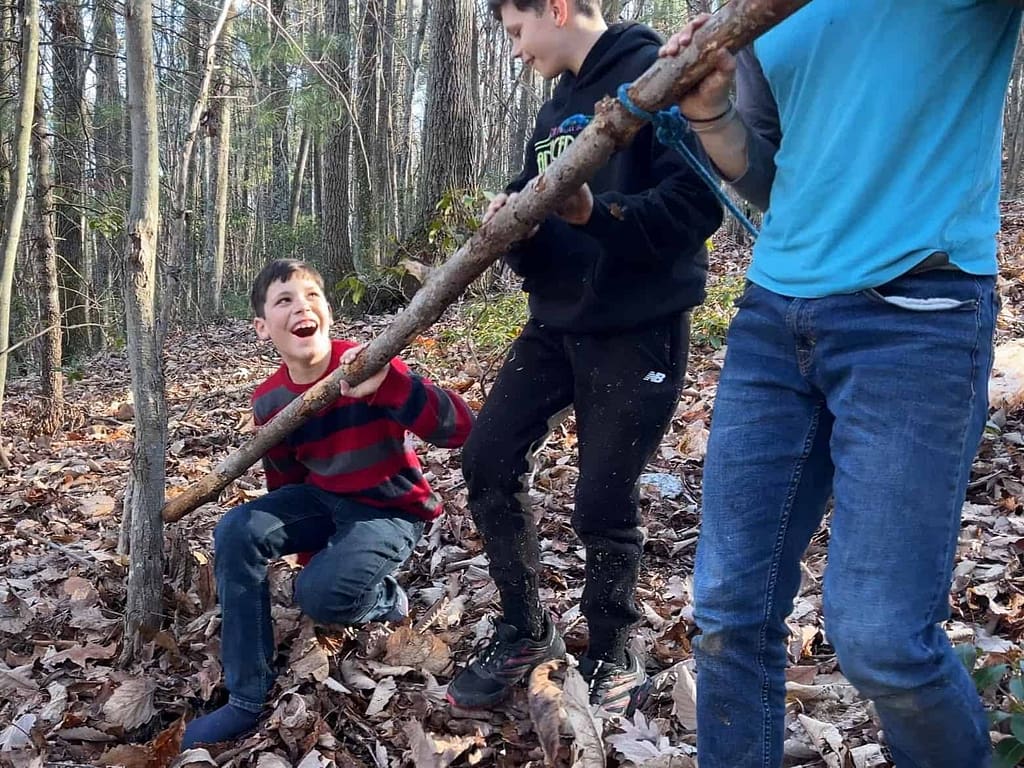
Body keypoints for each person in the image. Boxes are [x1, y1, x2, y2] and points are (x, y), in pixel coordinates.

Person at [658, 2, 1023, 766]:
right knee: (728, 613)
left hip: (919, 310)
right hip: (773, 316)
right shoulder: (766, 8)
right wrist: (712, 111)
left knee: (883, 639)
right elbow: (769, 171)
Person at [444, 0, 722, 716]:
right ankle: (525, 628)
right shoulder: (555, 107)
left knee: (602, 495)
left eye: (515, 31)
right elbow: (536, 201)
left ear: (558, 8)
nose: (513, 51)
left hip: (638, 326)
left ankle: (615, 644)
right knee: (487, 456)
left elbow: (695, 210)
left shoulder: (657, 73)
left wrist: (594, 215)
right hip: (556, 323)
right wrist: (509, 221)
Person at [181, 258, 475, 749]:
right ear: (262, 328)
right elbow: (287, 486)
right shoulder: (270, 401)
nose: (302, 306)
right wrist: (311, 555)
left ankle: (387, 599)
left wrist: (390, 384)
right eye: (285, 300)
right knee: (236, 530)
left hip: (391, 508)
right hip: (324, 502)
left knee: (319, 596)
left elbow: (461, 428)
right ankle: (246, 698)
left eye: (312, 296)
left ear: (329, 313)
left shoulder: (367, 364)